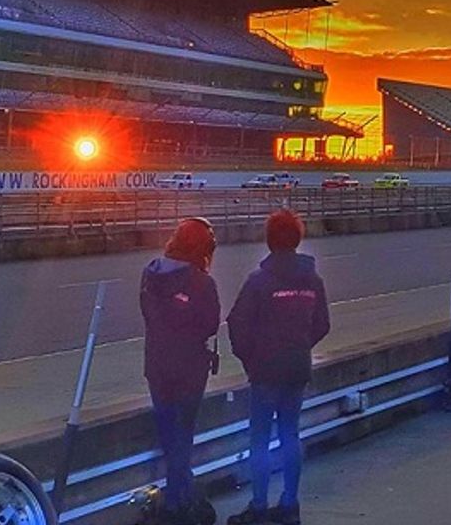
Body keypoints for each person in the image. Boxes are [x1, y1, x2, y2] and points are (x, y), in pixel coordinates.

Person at [228, 210, 331, 525]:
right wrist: (300, 346)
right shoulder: (313, 279)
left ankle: (259, 505)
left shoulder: (259, 281)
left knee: (259, 438)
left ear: (269, 240)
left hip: (265, 370)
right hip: (297, 367)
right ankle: (290, 504)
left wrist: (250, 358)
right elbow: (323, 324)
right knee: (290, 434)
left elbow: (237, 323)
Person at [140, 218, 221, 525]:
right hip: (189, 369)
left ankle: (181, 498)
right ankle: (176, 505)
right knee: (183, 436)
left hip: (157, 366)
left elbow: (148, 315)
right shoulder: (202, 282)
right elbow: (210, 325)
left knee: (168, 434)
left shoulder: (150, 275)